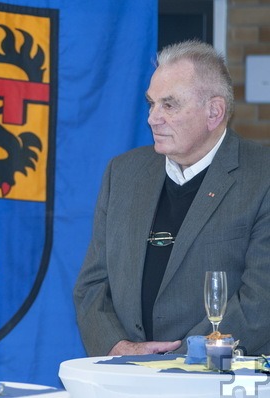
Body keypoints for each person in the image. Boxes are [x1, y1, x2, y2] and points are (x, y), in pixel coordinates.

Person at [73, 40, 270, 357]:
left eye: (169, 105)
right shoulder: (122, 173)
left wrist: (171, 365)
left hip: (218, 381)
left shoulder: (262, 177)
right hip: (126, 377)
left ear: (214, 112)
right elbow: (92, 285)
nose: (153, 118)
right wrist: (119, 348)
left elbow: (261, 301)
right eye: (151, 104)